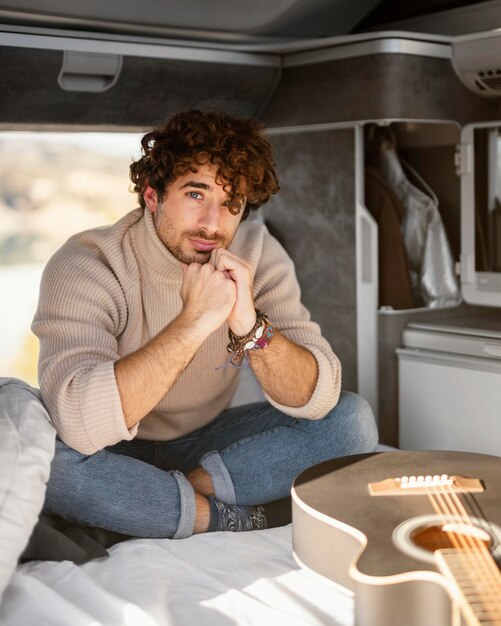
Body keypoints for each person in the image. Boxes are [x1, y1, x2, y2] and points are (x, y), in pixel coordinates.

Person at [32, 109, 378, 540]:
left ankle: (168, 502)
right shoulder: (89, 263)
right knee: (46, 463)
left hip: (207, 445)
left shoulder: (256, 252)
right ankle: (216, 517)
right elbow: (80, 425)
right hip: (105, 450)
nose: (213, 225)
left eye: (231, 204)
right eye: (196, 195)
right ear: (152, 195)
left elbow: (318, 397)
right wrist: (194, 323)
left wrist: (251, 328)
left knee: (352, 421)